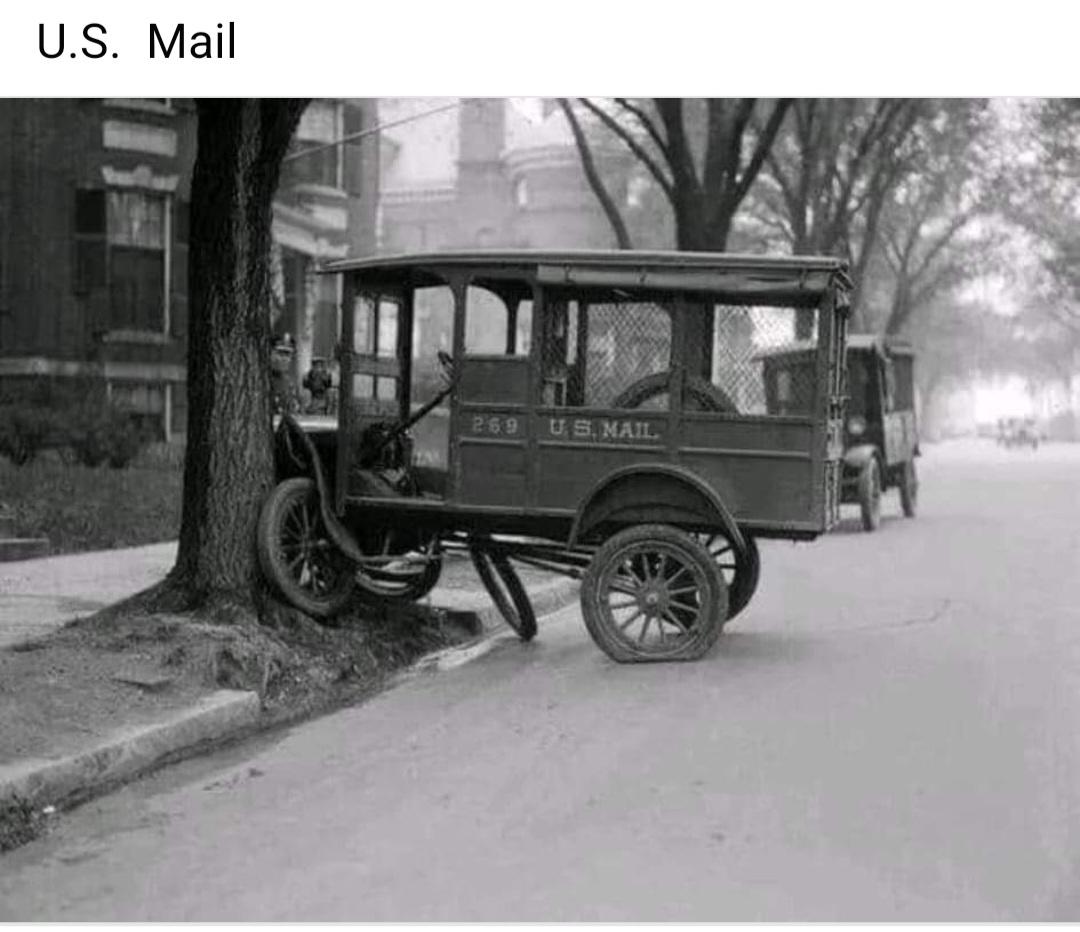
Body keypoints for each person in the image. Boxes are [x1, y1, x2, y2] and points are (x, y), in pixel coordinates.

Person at [270, 334, 299, 415]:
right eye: (280, 354)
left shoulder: (290, 383)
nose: (284, 359)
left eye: (288, 355)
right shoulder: (260, 379)